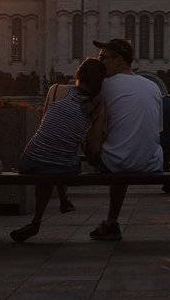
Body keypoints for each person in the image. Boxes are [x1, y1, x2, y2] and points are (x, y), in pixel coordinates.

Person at [9, 58, 106, 243]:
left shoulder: (55, 90)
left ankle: (41, 218)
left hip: (28, 161)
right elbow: (93, 146)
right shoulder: (97, 106)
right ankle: (62, 199)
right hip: (62, 167)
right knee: (60, 161)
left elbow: (46, 124)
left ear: (78, 74)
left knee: (49, 163)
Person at [89, 37, 162, 241]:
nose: (99, 61)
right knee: (122, 150)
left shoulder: (104, 86)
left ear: (119, 60)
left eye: (103, 57)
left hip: (119, 162)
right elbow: (158, 129)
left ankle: (61, 199)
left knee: (95, 141)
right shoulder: (152, 86)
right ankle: (111, 222)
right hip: (151, 163)